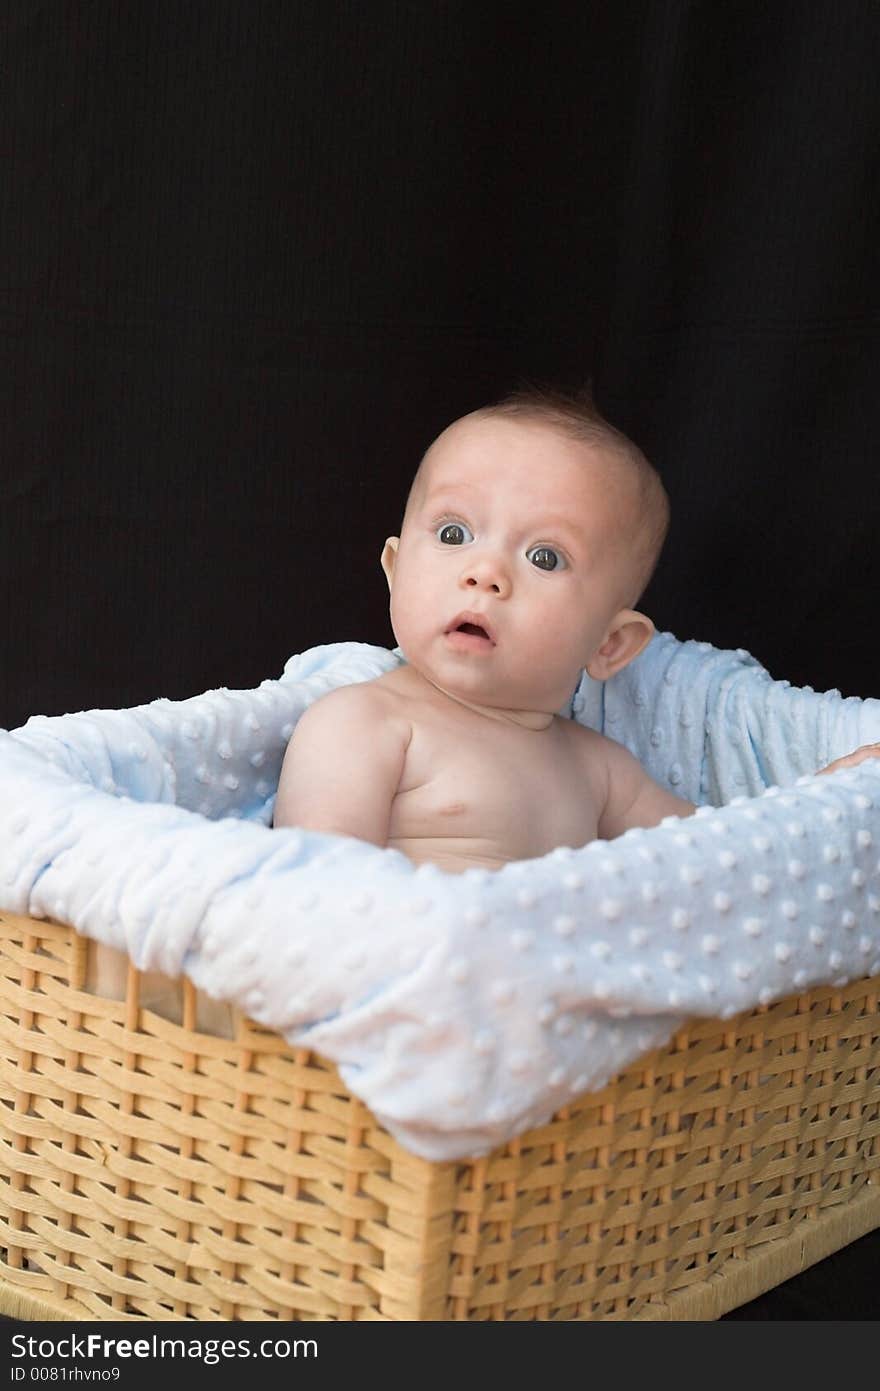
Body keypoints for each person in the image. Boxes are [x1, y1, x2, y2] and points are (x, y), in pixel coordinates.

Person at [274, 387, 879, 871]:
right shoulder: (361, 721)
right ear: (396, 569)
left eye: (545, 558)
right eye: (454, 534)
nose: (485, 574)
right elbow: (318, 895)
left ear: (609, 645)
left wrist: (824, 798)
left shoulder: (599, 771)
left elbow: (722, 856)